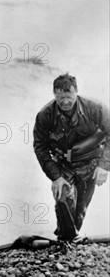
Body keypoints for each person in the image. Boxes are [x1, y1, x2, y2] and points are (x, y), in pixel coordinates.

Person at [33, 73, 109, 242]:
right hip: (63, 165)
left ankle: (67, 240)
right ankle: (66, 240)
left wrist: (104, 166)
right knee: (63, 197)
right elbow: (40, 148)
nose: (65, 102)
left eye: (69, 97)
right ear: (54, 94)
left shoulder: (96, 108)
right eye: (60, 97)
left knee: (80, 211)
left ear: (77, 92)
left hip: (90, 163)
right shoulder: (45, 115)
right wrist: (56, 177)